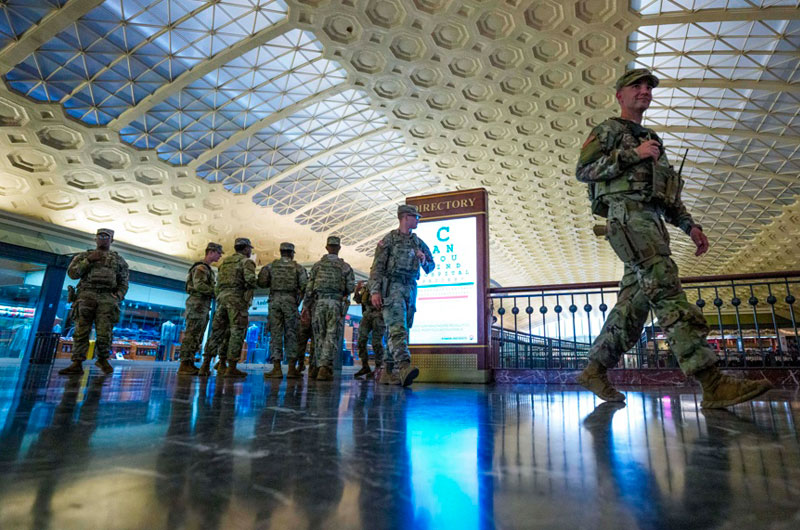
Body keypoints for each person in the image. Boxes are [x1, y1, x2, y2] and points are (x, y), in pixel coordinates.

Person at [574, 68, 771, 408]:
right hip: (628, 219)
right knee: (666, 289)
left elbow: (665, 195)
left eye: (648, 86)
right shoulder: (608, 131)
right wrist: (632, 155)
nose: (644, 91)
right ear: (620, 95)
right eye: (636, 85)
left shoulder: (653, 141)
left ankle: (594, 369)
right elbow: (583, 171)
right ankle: (712, 382)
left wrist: (689, 226)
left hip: (650, 222)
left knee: (634, 306)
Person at [368, 204, 434, 387]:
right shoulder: (388, 240)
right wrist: (375, 291)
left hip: (410, 288)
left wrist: (423, 259)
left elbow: (431, 266)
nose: (418, 220)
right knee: (397, 328)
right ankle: (404, 366)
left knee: (402, 328)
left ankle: (387, 373)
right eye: (416, 217)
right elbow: (377, 268)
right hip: (393, 287)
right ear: (405, 217)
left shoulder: (418, 242)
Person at [58, 228, 129, 375]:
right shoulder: (84, 256)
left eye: (106, 236)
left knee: (105, 332)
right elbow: (72, 274)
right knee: (81, 330)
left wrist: (118, 295)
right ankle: (77, 362)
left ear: (112, 240)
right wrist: (89, 260)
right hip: (86, 295)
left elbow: (123, 282)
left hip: (106, 298)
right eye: (100, 236)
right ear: (95, 239)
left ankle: (102, 359)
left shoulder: (119, 260)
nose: (103, 238)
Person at [203, 237, 257, 378]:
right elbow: (250, 280)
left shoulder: (225, 263)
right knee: (237, 332)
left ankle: (205, 365)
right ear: (246, 249)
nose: (250, 252)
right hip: (237, 301)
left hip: (222, 299)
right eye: (249, 249)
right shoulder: (247, 262)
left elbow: (218, 284)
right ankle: (231, 367)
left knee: (217, 332)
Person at [302, 236, 354, 381]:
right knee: (331, 335)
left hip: (319, 304)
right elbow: (350, 287)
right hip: (335, 304)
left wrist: (306, 307)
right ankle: (325, 368)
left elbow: (309, 289)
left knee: (319, 336)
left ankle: (317, 367)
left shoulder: (317, 266)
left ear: (326, 247)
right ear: (338, 248)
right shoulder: (345, 267)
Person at [260, 242, 309, 379]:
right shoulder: (298, 268)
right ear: (292, 253)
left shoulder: (270, 266)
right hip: (290, 302)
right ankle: (292, 369)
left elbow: (262, 282)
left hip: (274, 301)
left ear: (280, 252)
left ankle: (276, 368)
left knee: (275, 333)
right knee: (292, 334)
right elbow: (305, 286)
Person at [179, 242, 223, 375]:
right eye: (218, 253)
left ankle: (189, 363)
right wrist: (216, 292)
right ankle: (184, 364)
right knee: (192, 334)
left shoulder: (207, 269)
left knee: (197, 335)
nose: (220, 256)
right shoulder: (201, 268)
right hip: (197, 304)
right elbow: (199, 286)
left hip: (202, 305)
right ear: (211, 252)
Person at [352, 280, 385, 379]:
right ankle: (365, 366)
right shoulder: (366, 287)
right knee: (361, 340)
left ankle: (379, 367)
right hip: (367, 315)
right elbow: (358, 300)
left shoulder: (383, 284)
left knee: (376, 342)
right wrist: (357, 290)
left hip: (379, 315)